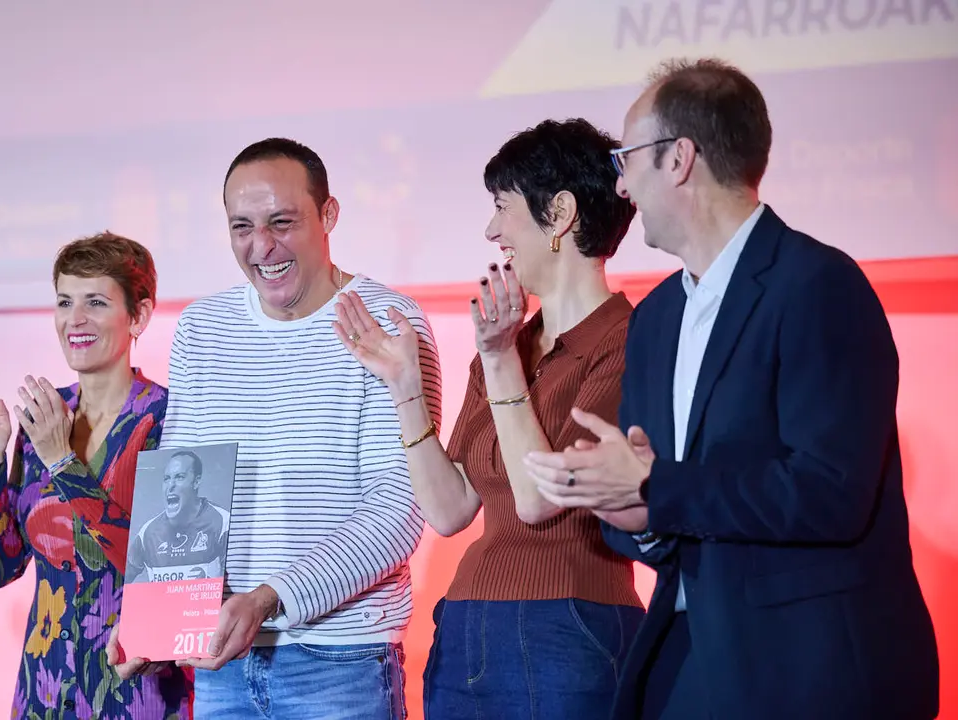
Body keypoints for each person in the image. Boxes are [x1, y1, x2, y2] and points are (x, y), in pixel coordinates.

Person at [524, 58, 940, 719]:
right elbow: (659, 507)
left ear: (679, 159)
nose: (620, 182)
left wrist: (654, 487)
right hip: (688, 657)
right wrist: (630, 510)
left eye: (626, 157)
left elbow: (829, 492)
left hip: (808, 667)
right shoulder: (657, 316)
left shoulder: (815, 285)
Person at [108, 137, 443, 719]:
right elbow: (185, 482)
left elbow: (400, 507)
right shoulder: (202, 329)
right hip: (222, 664)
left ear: (328, 214)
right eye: (242, 227)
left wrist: (269, 599)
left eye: (281, 222)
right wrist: (157, 614)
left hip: (342, 661)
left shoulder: (390, 322)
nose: (262, 247)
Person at [334, 118, 645, 719]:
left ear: (559, 214)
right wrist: (405, 391)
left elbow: (538, 499)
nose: (491, 230)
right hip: (468, 622)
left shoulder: (627, 340)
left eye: (503, 208)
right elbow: (450, 511)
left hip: (571, 625)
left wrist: (500, 360)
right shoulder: (507, 343)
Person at [0, 233, 192, 719]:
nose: (76, 319)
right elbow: (3, 568)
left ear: (139, 316)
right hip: (43, 692)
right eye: (65, 301)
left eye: (95, 302)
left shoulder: (171, 422)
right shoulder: (43, 420)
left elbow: (162, 572)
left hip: (138, 694)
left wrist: (65, 465)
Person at [125, 450, 230, 584]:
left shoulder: (222, 523)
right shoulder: (148, 532)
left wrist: (206, 584)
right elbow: (119, 583)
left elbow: (241, 582)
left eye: (179, 477)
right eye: (167, 479)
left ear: (196, 482)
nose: (171, 485)